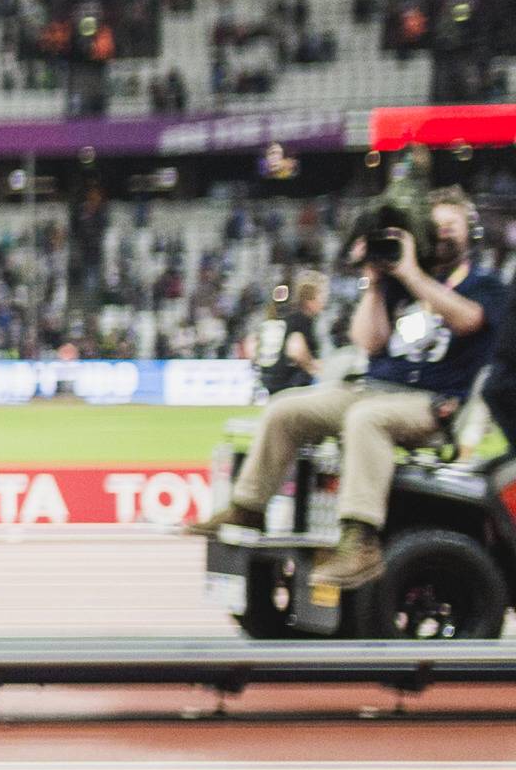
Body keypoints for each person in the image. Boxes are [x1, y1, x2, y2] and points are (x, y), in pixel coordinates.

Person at [214, 190, 503, 594]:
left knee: (364, 420)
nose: (440, 235)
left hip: (430, 404)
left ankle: (360, 541)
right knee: (285, 409)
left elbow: (467, 320)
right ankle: (247, 508)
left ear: (470, 235)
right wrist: (375, 281)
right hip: (374, 388)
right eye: (433, 227)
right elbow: (368, 342)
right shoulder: (398, 283)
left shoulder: (485, 285)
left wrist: (411, 275)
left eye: (450, 228)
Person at [252, 272, 328, 395]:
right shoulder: (302, 320)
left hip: (273, 381)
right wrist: (314, 368)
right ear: (309, 299)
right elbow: (296, 349)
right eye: (321, 296)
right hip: (291, 385)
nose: (324, 301)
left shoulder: (286, 318)